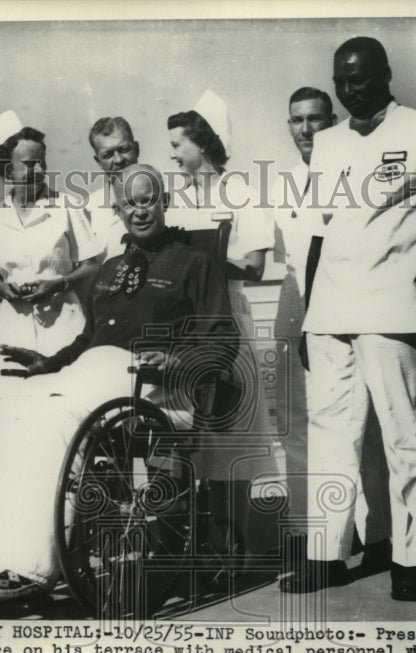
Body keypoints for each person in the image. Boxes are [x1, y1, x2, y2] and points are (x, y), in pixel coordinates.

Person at [0, 164, 233, 603]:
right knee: (7, 409)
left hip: (152, 385)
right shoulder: (110, 268)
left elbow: (222, 342)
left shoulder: (195, 263)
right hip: (94, 372)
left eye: (147, 200)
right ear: (118, 210)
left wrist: (173, 360)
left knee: (58, 419)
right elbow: (88, 340)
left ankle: (32, 568)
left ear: (165, 202)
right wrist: (45, 364)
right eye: (129, 203)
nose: (139, 211)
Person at [293, 37, 416, 599]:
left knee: (403, 437)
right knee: (332, 438)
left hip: (392, 307)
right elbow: (319, 233)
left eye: (359, 78)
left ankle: (411, 562)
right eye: (340, 80)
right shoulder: (328, 143)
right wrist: (308, 316)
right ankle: (327, 555)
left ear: (387, 74)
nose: (349, 89)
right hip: (330, 311)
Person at [271, 87, 392, 571]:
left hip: (348, 304)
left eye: (316, 119)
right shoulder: (280, 183)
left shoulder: (353, 169)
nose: (306, 130)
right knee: (300, 426)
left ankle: (378, 531)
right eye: (296, 120)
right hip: (296, 304)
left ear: (333, 119)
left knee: (367, 426)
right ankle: (309, 532)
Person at [165, 90, 279, 552]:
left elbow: (253, 264)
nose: (172, 154)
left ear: (203, 143)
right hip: (184, 322)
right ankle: (187, 540)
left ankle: (239, 542)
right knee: (184, 431)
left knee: (230, 434)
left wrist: (201, 270)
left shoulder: (245, 193)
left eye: (178, 145)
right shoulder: (175, 198)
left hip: (227, 317)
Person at [0, 111, 99, 398]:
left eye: (42, 163)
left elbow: (92, 265)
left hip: (63, 322)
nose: (38, 171)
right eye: (28, 164)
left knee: (65, 400)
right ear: (7, 170)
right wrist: (5, 289)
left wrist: (59, 284)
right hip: (14, 325)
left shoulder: (67, 206)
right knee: (11, 401)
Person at [83, 116, 141, 261]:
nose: (118, 160)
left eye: (124, 149)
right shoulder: (88, 210)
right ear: (98, 161)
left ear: (137, 149)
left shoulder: (169, 196)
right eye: (108, 155)